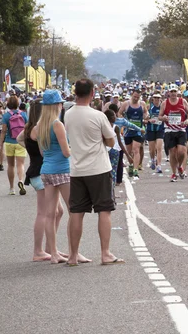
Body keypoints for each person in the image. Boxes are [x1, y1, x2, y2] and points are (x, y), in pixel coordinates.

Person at [65, 79, 122, 266]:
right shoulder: (98, 116)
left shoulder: (68, 114)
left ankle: (73, 255)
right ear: (91, 94)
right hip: (98, 168)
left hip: (77, 168)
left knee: (76, 212)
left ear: (75, 93)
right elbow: (111, 141)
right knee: (104, 210)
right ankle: (105, 253)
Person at [17, 99, 56, 262]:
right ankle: (39, 250)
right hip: (40, 171)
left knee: (56, 211)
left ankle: (49, 247)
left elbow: (19, 139)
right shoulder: (39, 128)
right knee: (44, 213)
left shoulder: (27, 129)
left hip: (34, 172)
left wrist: (29, 147)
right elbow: (43, 151)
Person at [36, 90, 73, 264]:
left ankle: (53, 253)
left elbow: (43, 152)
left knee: (50, 214)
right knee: (74, 211)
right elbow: (66, 152)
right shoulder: (57, 124)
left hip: (46, 170)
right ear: (57, 105)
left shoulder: (39, 126)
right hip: (62, 170)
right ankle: (73, 251)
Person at [159, 84, 188, 182]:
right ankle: (174, 173)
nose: (173, 94)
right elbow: (159, 116)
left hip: (181, 130)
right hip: (169, 131)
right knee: (173, 153)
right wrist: (163, 118)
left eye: (175, 92)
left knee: (182, 152)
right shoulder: (165, 103)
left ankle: (179, 166)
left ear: (177, 92)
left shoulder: (183, 101)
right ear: (168, 93)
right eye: (172, 92)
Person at [0, 95, 28, 195]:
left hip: (9, 142)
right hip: (20, 142)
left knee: (11, 165)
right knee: (20, 164)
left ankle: (12, 188)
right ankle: (21, 181)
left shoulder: (6, 116)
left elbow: (3, 131)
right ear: (18, 104)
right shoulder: (24, 115)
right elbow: (27, 129)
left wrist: (0, 144)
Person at [118, 89, 148, 178]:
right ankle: (131, 165)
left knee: (136, 149)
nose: (136, 98)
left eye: (137, 97)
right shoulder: (126, 104)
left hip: (138, 130)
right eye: (134, 97)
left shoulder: (142, 104)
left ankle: (135, 169)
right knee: (129, 151)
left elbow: (146, 112)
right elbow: (119, 113)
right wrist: (123, 121)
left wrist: (146, 116)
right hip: (128, 130)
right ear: (132, 95)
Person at [105, 110, 134, 195]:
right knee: (113, 172)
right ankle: (111, 193)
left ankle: (108, 192)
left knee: (107, 173)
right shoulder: (115, 127)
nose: (116, 118)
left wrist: (128, 155)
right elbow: (120, 143)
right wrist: (127, 155)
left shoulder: (103, 127)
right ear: (110, 118)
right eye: (114, 116)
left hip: (106, 151)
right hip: (114, 151)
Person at [146, 93, 165, 173]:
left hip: (160, 129)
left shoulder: (163, 106)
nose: (157, 99)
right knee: (152, 149)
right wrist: (149, 120)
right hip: (151, 129)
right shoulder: (149, 106)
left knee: (159, 148)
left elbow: (167, 115)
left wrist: (164, 118)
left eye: (158, 98)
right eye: (155, 98)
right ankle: (153, 160)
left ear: (160, 99)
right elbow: (145, 117)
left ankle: (159, 165)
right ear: (152, 98)